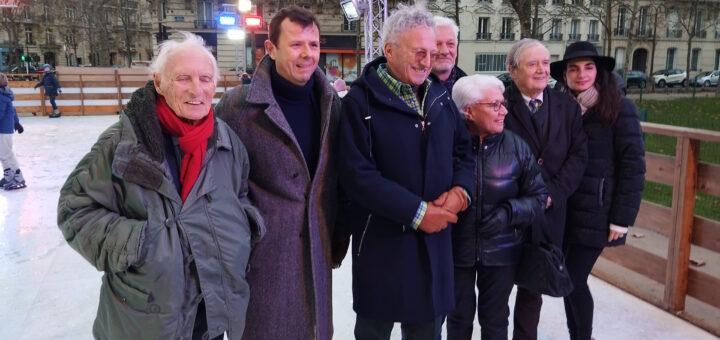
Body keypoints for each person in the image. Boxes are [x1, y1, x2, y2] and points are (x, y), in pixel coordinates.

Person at [57, 32, 264, 340]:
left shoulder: (226, 141)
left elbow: (240, 194)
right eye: (183, 78)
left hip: (209, 312)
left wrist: (243, 226)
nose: (197, 89)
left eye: (206, 79)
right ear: (158, 82)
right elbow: (75, 208)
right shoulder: (125, 143)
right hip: (147, 317)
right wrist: (139, 243)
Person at [336, 3, 474, 339]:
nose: (426, 60)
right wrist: (418, 213)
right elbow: (358, 175)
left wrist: (460, 192)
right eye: (418, 51)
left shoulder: (440, 97)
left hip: (434, 246)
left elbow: (465, 153)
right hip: (382, 248)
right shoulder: (359, 103)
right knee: (374, 330)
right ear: (389, 50)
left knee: (427, 330)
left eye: (431, 52)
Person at [214, 6, 342, 340]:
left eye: (313, 45)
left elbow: (336, 179)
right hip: (263, 261)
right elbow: (218, 183)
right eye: (296, 44)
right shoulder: (237, 107)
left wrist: (337, 236)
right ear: (270, 49)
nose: (307, 54)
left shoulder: (331, 104)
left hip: (316, 252)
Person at [550, 41, 645, 340]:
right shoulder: (562, 108)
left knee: (574, 278)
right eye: (574, 69)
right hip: (565, 211)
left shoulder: (618, 109)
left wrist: (621, 218)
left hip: (598, 213)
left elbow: (633, 166)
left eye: (588, 67)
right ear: (565, 75)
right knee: (565, 278)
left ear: (598, 71)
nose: (581, 75)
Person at [446, 74, 548, 340]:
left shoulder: (517, 147)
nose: (504, 111)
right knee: (457, 319)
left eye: (503, 103)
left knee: (495, 321)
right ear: (467, 110)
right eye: (494, 105)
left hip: (502, 252)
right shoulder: (446, 145)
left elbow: (538, 197)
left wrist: (509, 213)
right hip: (456, 251)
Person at [502, 38, 588, 340]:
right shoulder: (499, 103)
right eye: (532, 64)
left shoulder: (566, 106)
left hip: (549, 213)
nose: (541, 70)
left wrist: (553, 193)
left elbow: (579, 155)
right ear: (513, 70)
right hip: (508, 213)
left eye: (545, 62)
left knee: (532, 289)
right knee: (497, 292)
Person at [0, 72, 26, 190]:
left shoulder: (1, 96)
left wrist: (16, 123)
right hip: (6, 129)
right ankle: (9, 175)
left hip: (3, 130)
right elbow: (13, 110)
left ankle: (18, 177)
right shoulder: (5, 93)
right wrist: (17, 123)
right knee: (3, 154)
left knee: (6, 155)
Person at [431, 16, 466, 94]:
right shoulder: (413, 88)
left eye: (450, 44)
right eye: (437, 44)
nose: (445, 51)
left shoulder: (469, 89)